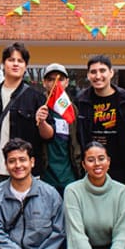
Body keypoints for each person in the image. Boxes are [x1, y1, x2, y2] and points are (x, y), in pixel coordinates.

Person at [0, 42, 47, 194]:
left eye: (20, 61)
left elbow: (48, 135)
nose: (15, 64)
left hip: (25, 172)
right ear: (3, 64)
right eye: (11, 60)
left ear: (26, 66)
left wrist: (42, 122)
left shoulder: (37, 98)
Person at [76, 55, 125, 188]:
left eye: (102, 70)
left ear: (111, 72)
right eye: (93, 72)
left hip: (121, 166)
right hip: (91, 165)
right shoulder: (81, 101)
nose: (98, 76)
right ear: (88, 75)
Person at [36, 63, 82, 196]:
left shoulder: (72, 109)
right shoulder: (39, 105)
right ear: (44, 83)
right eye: (50, 79)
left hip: (69, 176)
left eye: (60, 79)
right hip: (45, 176)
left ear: (67, 82)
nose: (55, 83)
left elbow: (77, 141)